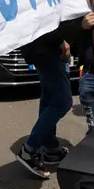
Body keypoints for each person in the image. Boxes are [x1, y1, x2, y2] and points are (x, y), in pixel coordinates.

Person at [15, 24, 74, 179]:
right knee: (63, 101)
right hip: (46, 47)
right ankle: (29, 149)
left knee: (50, 98)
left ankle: (49, 146)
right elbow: (44, 18)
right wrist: (59, 39)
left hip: (43, 47)